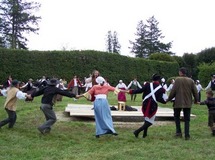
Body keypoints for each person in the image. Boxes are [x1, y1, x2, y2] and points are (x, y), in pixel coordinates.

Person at [126, 74, 166, 138]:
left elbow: (139, 91)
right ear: (159, 80)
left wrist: (131, 91)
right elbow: (159, 99)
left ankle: (145, 134)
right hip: (152, 105)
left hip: (145, 104)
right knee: (150, 122)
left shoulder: (147, 85)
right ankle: (137, 131)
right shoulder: (160, 89)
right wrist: (165, 101)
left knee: (147, 119)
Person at [167, 67, 198, 140]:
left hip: (178, 102)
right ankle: (187, 135)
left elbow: (173, 91)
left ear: (180, 72)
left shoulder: (177, 80)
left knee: (176, 117)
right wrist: (196, 100)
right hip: (188, 102)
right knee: (187, 119)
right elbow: (195, 92)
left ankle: (178, 133)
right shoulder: (191, 80)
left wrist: (169, 99)